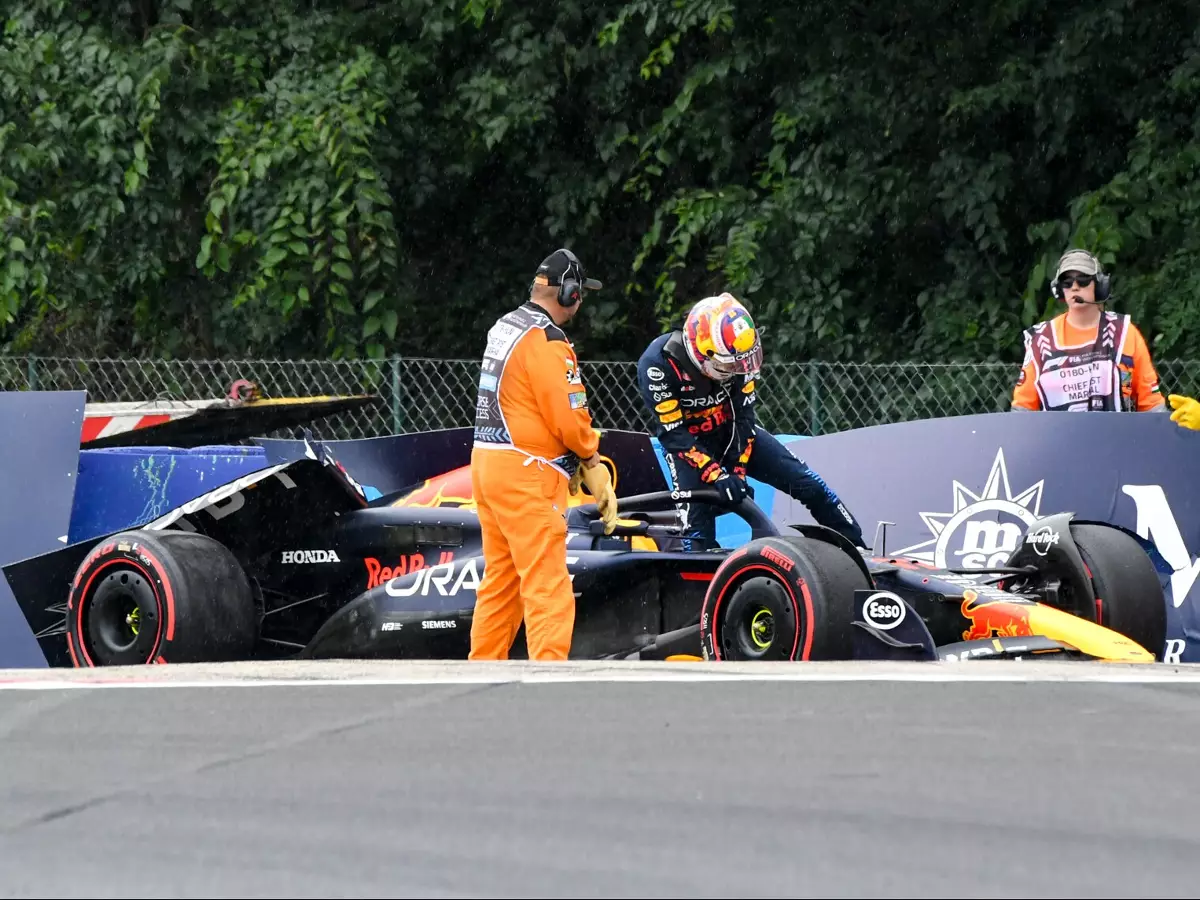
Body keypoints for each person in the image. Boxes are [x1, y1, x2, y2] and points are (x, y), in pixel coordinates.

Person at [468, 248, 618, 662]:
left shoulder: (506, 325)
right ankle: (549, 684)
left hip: (489, 464)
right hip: (526, 475)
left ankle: (480, 670)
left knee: (501, 583)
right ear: (569, 293)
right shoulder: (549, 340)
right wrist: (590, 461)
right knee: (547, 585)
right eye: (580, 293)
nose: (581, 301)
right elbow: (568, 416)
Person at [635, 292, 866, 550]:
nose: (739, 370)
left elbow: (744, 418)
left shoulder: (741, 356)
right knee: (697, 536)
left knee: (809, 483)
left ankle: (857, 547)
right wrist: (716, 475)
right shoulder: (657, 364)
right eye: (729, 366)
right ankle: (700, 582)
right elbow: (672, 434)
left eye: (742, 364)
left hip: (733, 433)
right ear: (703, 354)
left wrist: (737, 471)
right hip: (688, 447)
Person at [1011, 248, 1165, 412]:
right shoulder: (1042, 340)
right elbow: (1022, 409)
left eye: (1083, 280)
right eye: (1067, 282)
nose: (1075, 287)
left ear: (1100, 286)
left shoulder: (1124, 333)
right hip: (1057, 438)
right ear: (1059, 290)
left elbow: (1152, 404)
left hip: (1117, 437)